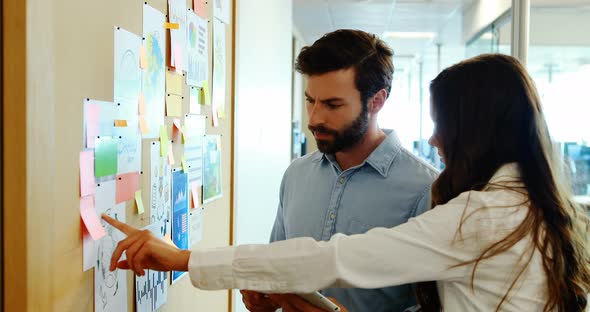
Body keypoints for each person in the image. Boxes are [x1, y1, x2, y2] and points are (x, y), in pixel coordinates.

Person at [103, 54, 590, 311]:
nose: (437, 140)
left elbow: (339, 257)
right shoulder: (529, 208)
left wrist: (185, 259)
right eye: (310, 101)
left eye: (446, 126)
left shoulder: (478, 214)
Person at [241, 29, 438, 312]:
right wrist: (265, 294)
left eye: (333, 105)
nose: (315, 118)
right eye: (311, 100)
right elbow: (277, 266)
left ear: (377, 101)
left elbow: (436, 305)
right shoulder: (296, 176)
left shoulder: (426, 189)